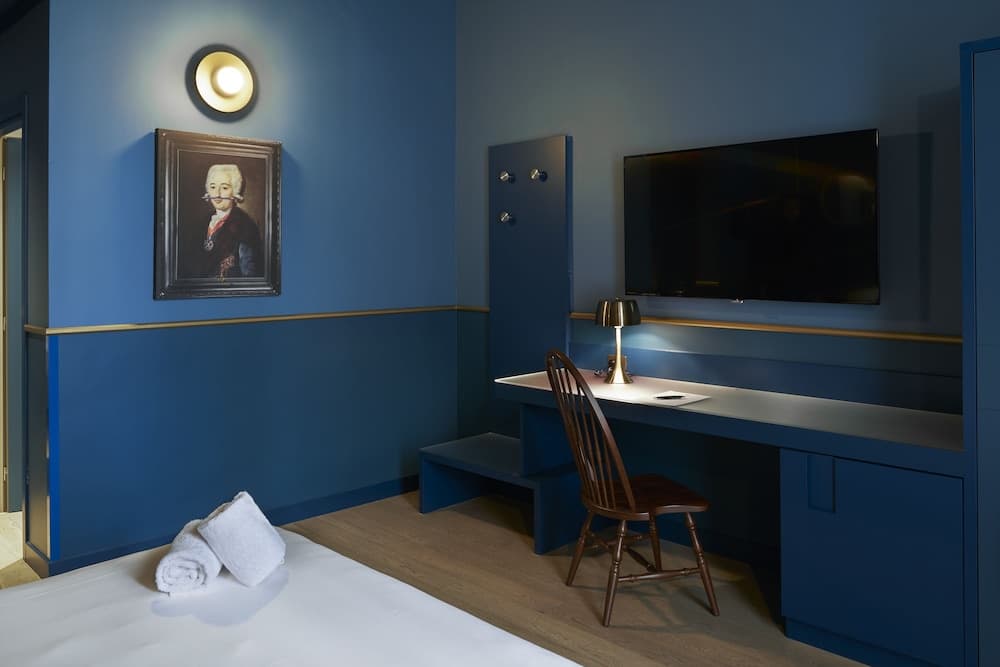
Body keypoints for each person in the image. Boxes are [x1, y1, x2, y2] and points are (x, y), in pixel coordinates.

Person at [198, 163, 263, 279]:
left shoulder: (246, 226)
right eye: (213, 187)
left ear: (235, 191)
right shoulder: (202, 223)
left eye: (224, 188)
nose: (217, 194)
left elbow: (250, 275)